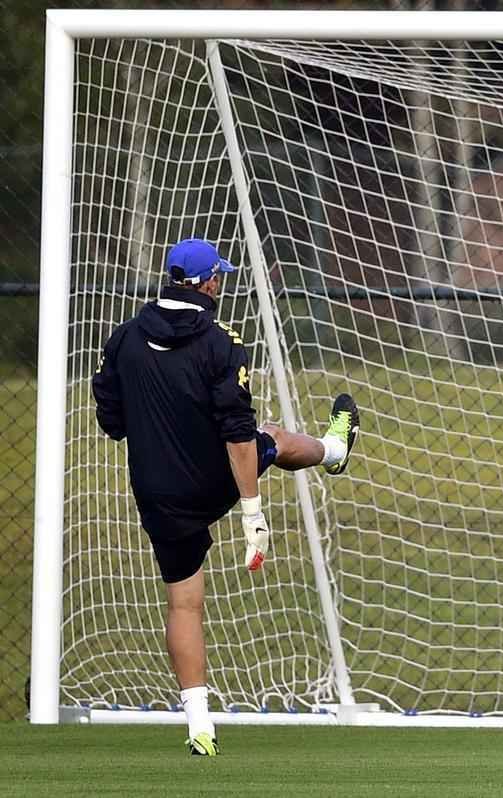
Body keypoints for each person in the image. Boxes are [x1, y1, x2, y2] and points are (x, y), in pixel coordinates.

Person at [91, 238, 361, 755]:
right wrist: (252, 514)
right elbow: (238, 435)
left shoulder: (123, 338)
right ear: (210, 283)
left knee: (185, 604)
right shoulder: (220, 342)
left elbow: (111, 420)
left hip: (158, 495)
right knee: (272, 437)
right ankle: (334, 448)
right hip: (212, 481)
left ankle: (200, 728)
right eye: (221, 277)